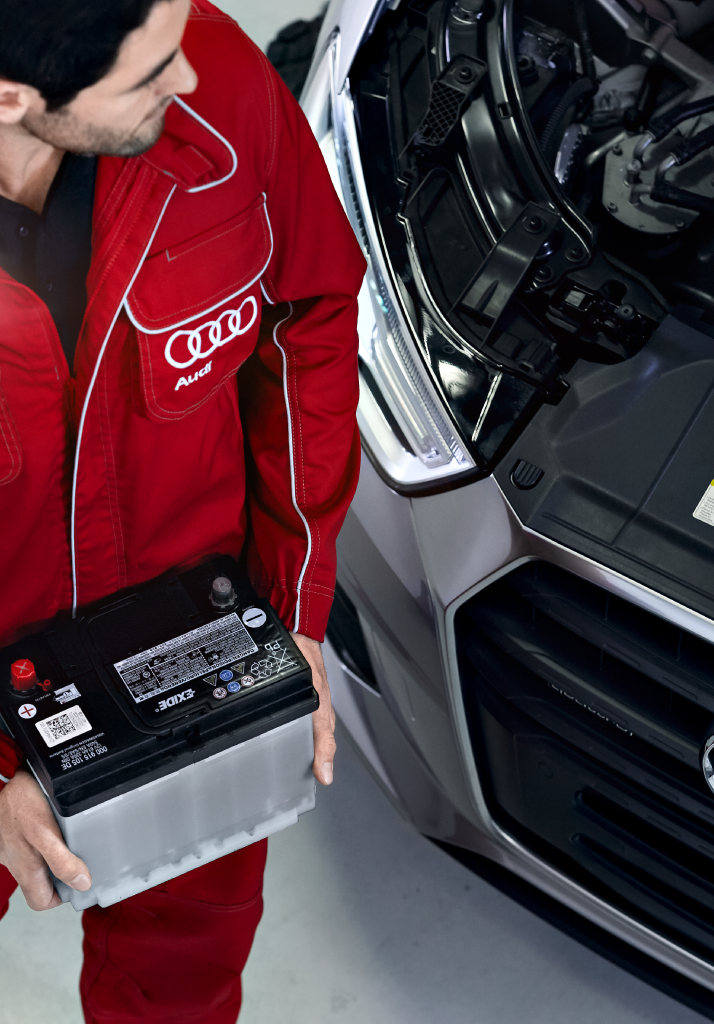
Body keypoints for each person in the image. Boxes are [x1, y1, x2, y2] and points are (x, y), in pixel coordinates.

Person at [0, 1, 364, 1020]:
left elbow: (310, 315)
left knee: (180, 979)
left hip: (193, 653)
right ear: (11, 96)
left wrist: (292, 609)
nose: (192, 78)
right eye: (149, 72)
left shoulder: (213, 71)